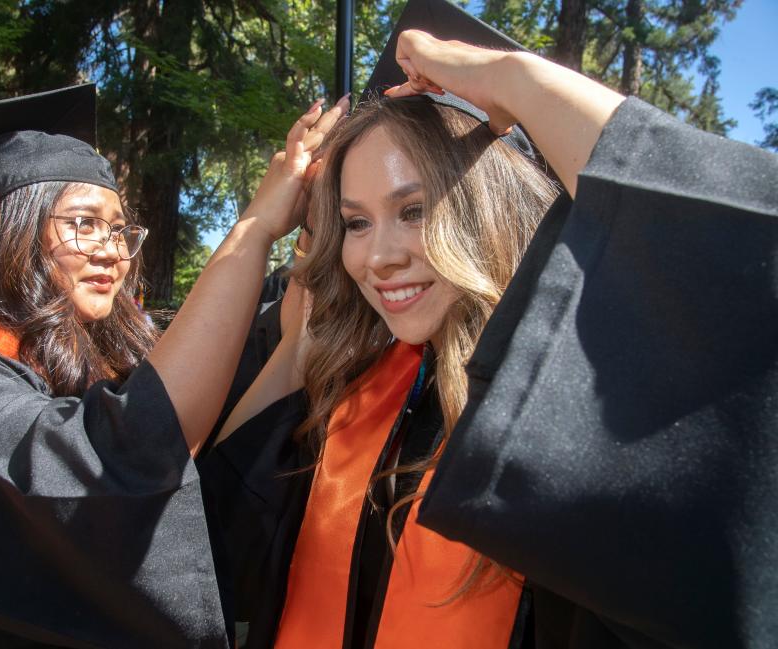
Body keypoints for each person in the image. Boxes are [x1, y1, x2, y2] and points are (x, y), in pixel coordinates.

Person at [202, 2, 778, 649]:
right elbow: (213, 513)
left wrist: (512, 79)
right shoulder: (353, 388)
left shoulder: (567, 407)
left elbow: (723, 258)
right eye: (356, 222)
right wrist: (266, 253)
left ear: (488, 207)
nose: (376, 255)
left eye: (414, 208)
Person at [0, 83, 349, 648]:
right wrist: (254, 229)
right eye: (83, 223)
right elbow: (131, 449)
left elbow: (201, 488)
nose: (112, 250)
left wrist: (308, 273)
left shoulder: (95, 368)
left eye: (118, 229)